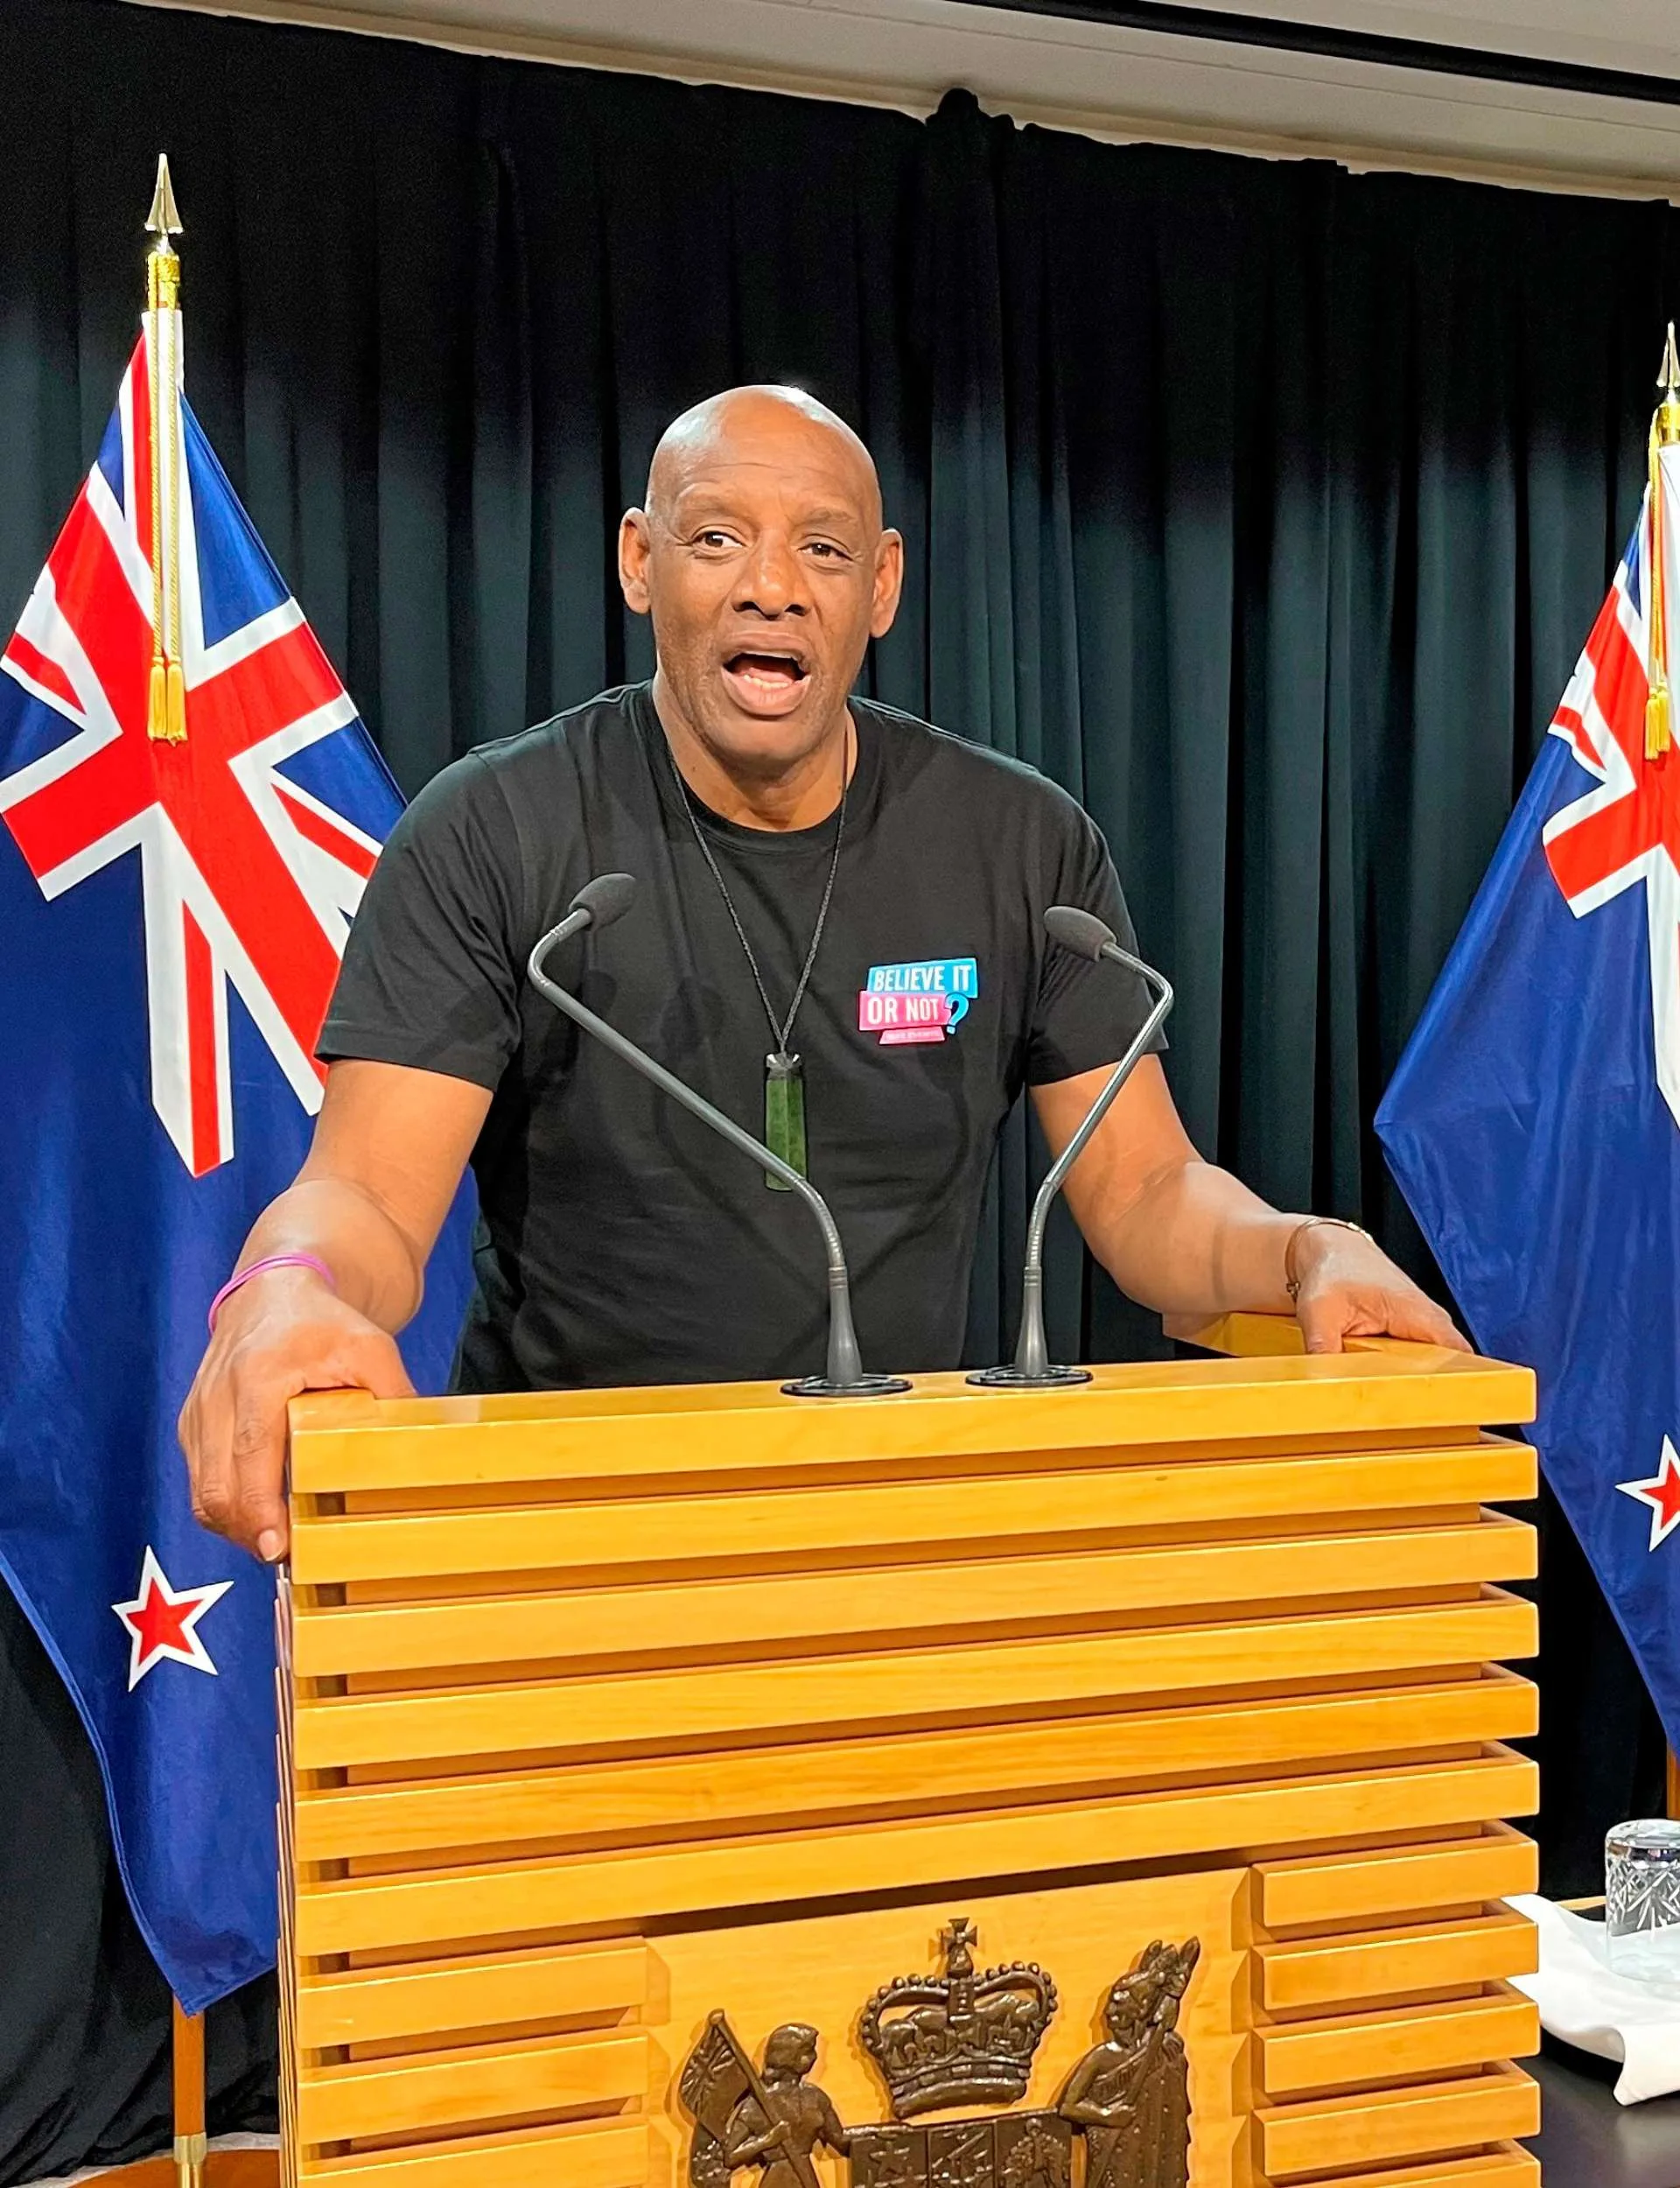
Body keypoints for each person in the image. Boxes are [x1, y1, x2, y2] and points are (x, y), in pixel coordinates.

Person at [178, 384, 1465, 1562]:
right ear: (639, 561)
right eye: (717, 539)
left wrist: (1312, 1248)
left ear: (884, 585)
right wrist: (284, 1290)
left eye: (824, 548)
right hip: (564, 1539)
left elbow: (1146, 1196)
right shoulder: (495, 832)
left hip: (896, 1534)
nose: (772, 589)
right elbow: (366, 1198)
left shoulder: (1020, 843)